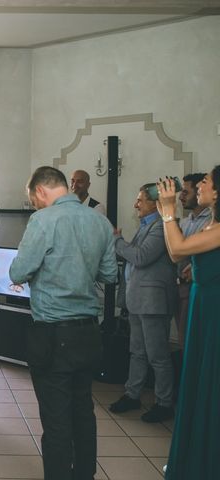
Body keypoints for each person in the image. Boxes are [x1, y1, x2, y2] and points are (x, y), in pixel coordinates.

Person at [9, 166, 117, 480]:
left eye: (34, 200)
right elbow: (110, 275)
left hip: (53, 333)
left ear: (41, 191)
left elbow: (18, 272)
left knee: (56, 421)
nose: (35, 206)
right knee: (83, 413)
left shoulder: (43, 220)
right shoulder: (99, 221)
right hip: (88, 332)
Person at [157, 170, 220, 480]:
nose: (201, 186)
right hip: (201, 303)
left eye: (206, 181)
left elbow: (179, 248)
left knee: (210, 380)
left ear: (218, 192)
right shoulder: (211, 224)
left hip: (214, 311)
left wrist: (169, 211)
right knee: (195, 375)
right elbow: (174, 251)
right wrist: (166, 214)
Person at [109, 184, 176, 423]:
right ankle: (132, 394)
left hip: (154, 302)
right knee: (137, 351)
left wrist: (117, 241)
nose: (136, 204)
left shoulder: (161, 227)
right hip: (138, 300)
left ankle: (164, 402)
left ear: (155, 203)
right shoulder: (146, 226)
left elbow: (141, 257)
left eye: (140, 200)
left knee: (158, 355)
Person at [174, 173, 210, 348]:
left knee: (191, 342)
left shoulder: (211, 222)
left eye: (185, 192)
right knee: (183, 341)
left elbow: (180, 252)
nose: (181, 196)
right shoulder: (186, 222)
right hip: (179, 287)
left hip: (196, 287)